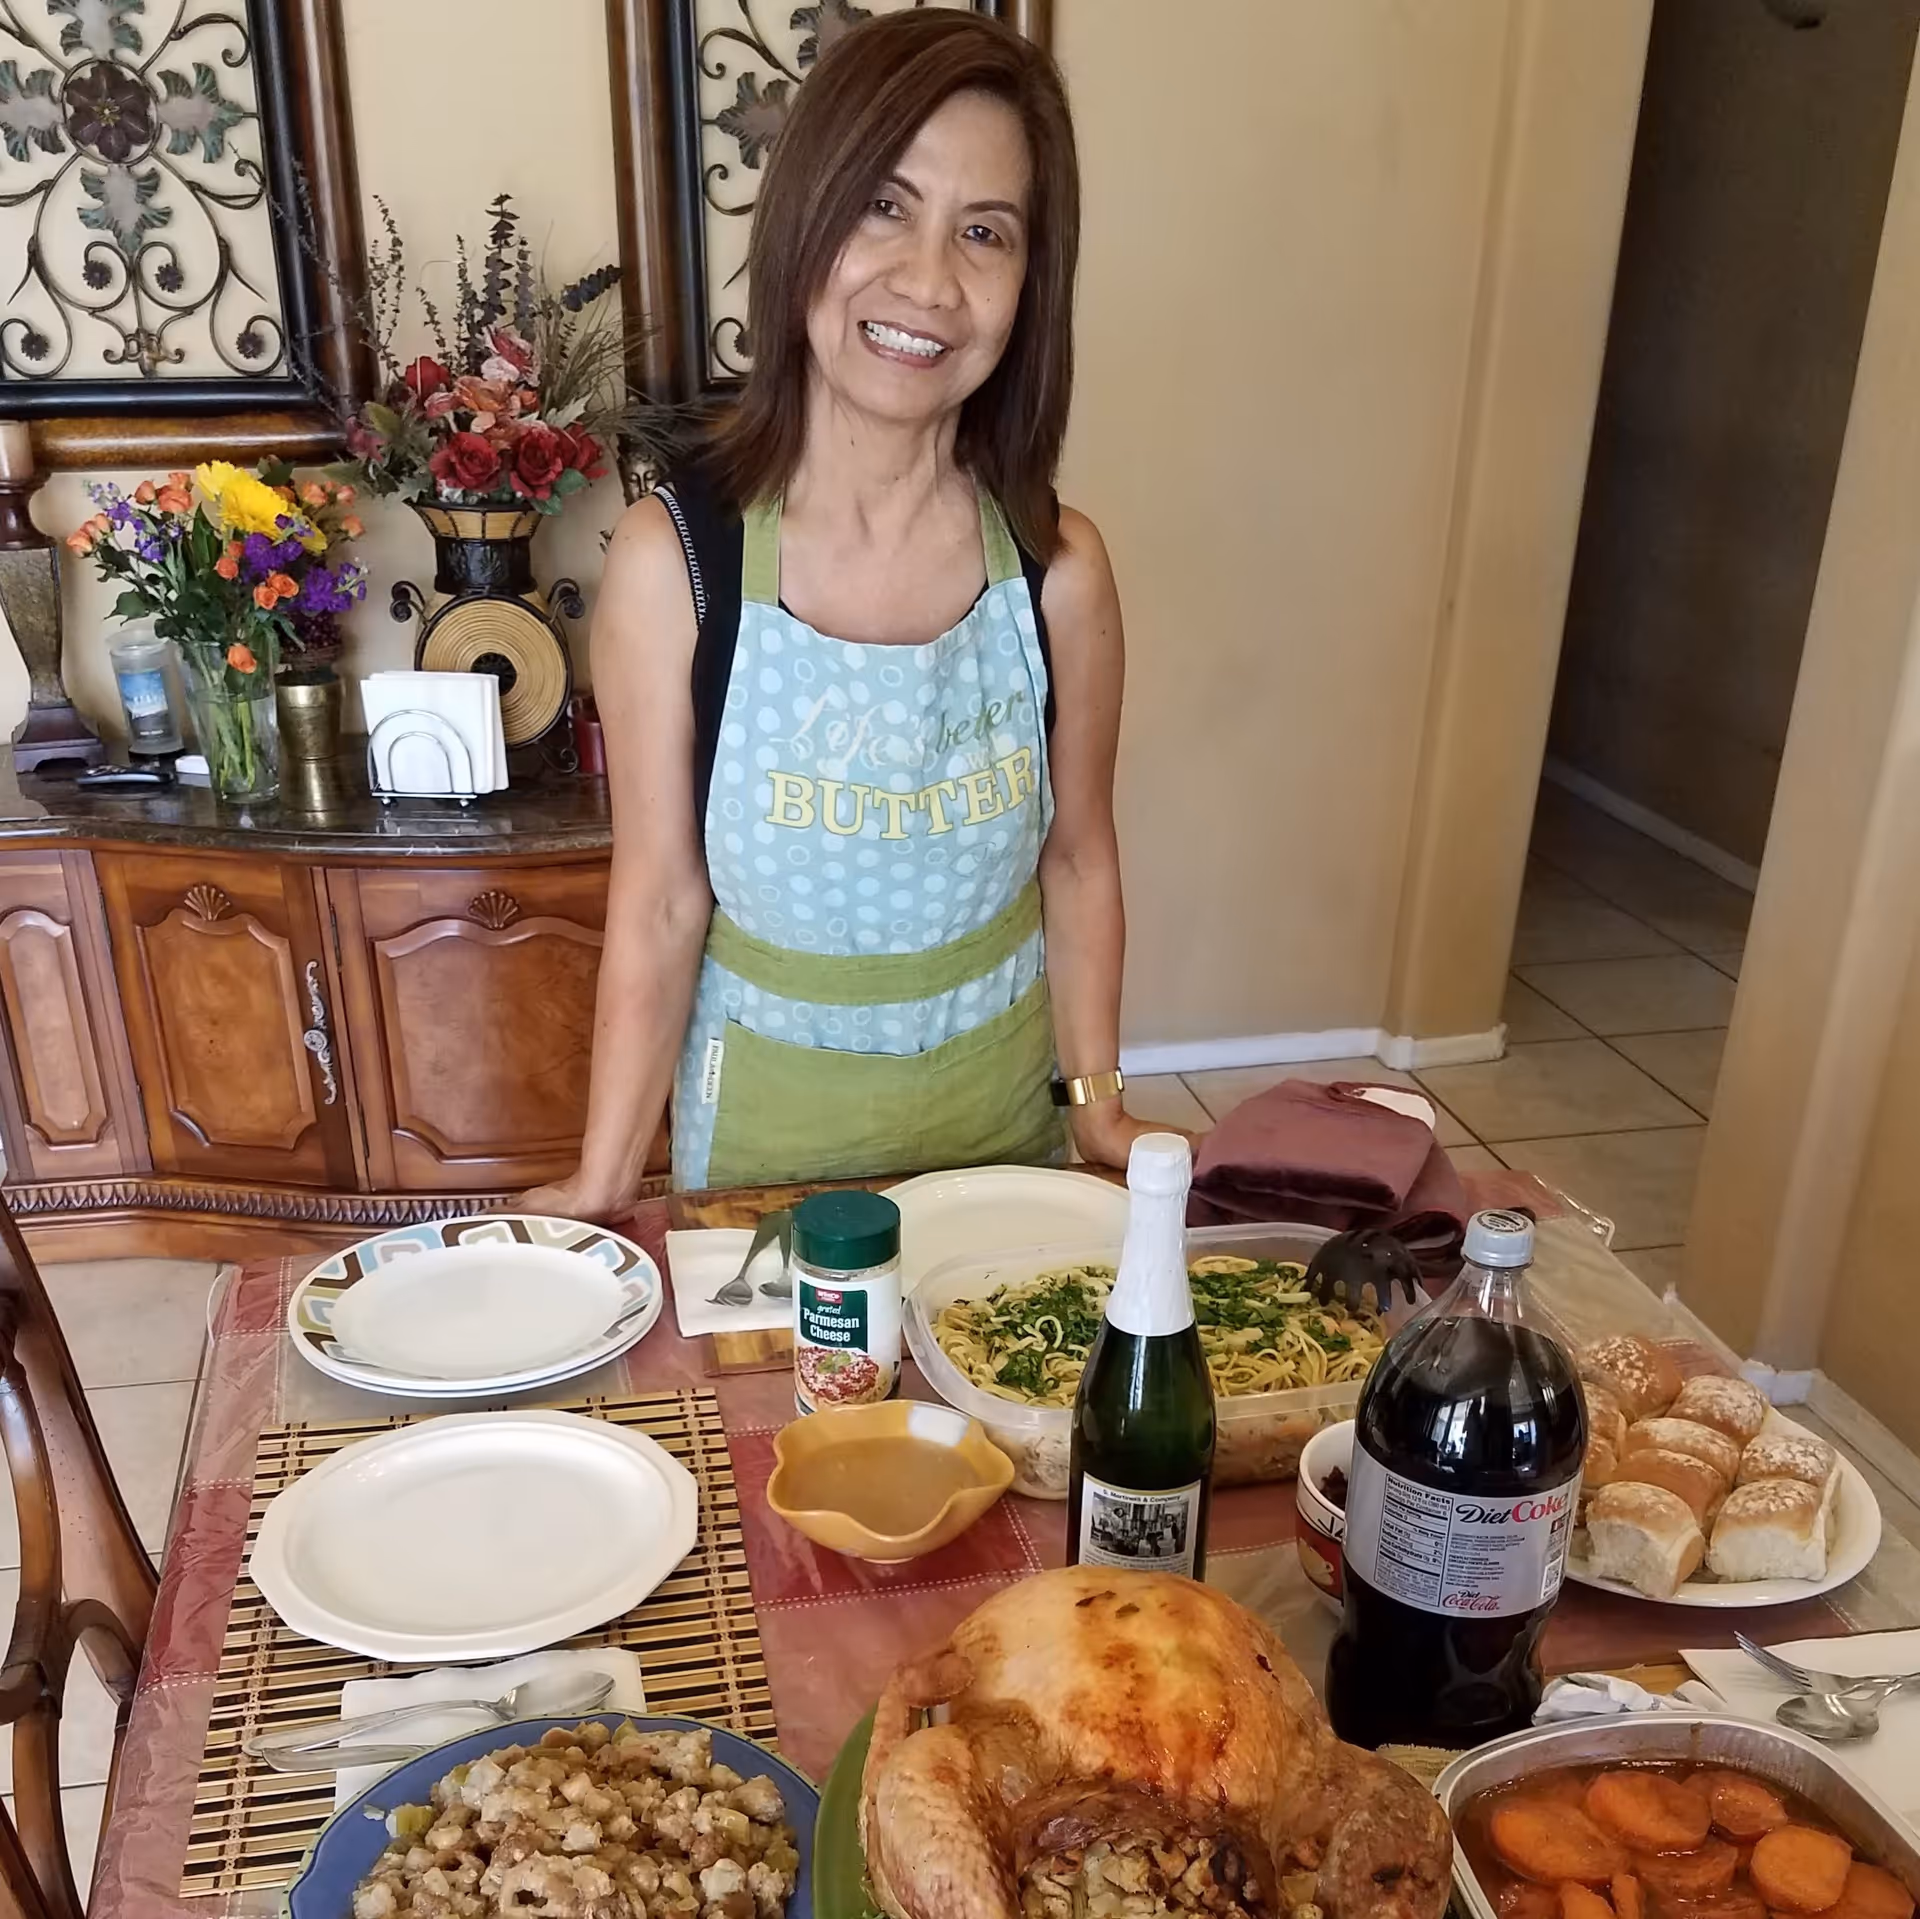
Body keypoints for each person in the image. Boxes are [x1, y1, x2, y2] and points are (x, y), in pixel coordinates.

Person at [525, 7, 1165, 1215]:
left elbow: (1077, 859)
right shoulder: (680, 564)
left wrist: (1100, 1106)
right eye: (884, 203)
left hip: (1005, 1153)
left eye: (985, 232)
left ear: (1032, 282)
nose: (928, 281)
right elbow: (662, 895)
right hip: (769, 1155)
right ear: (806, 220)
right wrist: (604, 1176)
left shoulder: (1056, 569)